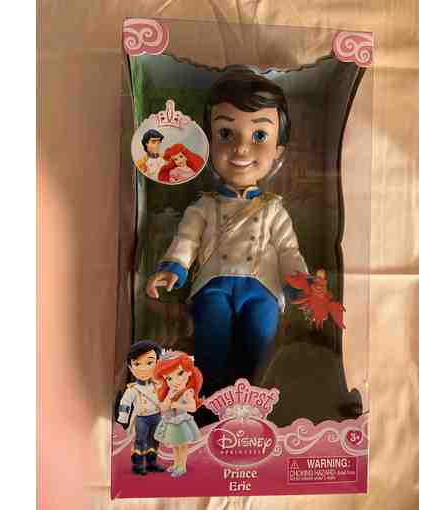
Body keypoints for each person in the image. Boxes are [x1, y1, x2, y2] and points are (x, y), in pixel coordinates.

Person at [145, 71, 308, 411]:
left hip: (262, 287)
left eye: (259, 135)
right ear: (208, 143)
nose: (241, 148)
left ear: (278, 151)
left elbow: (288, 250)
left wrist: (298, 283)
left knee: (260, 341)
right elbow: (187, 239)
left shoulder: (273, 209)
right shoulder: (204, 205)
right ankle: (209, 404)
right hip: (213, 284)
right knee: (211, 340)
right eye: (225, 133)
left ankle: (253, 405)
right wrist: (174, 267)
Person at [117, 340, 165, 475]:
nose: (143, 368)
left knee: (155, 439)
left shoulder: (158, 385)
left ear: (158, 363)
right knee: (140, 440)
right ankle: (138, 464)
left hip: (157, 416)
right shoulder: (133, 389)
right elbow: (125, 403)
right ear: (131, 367)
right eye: (137, 364)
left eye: (149, 363)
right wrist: (123, 418)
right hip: (141, 418)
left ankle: (151, 463)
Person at [153, 351, 202, 478]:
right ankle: (176, 464)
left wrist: (178, 405)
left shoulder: (187, 392)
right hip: (171, 422)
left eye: (180, 373)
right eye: (169, 378)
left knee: (182, 446)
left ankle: (182, 466)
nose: (175, 381)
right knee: (175, 445)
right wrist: (164, 401)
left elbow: (192, 408)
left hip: (182, 423)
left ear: (189, 372)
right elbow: (164, 407)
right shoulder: (170, 392)